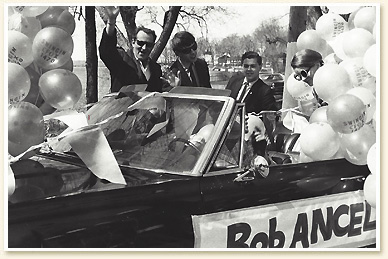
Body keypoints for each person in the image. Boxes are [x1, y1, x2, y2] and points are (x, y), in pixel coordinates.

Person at [99, 6, 165, 93]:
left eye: (148, 45)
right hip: (121, 106)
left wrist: (175, 86)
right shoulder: (121, 59)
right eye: (140, 43)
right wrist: (111, 22)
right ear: (133, 42)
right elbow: (106, 50)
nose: (144, 48)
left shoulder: (156, 69)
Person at [226, 51, 277, 157]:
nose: (249, 70)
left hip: (245, 134)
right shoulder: (234, 81)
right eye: (246, 66)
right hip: (226, 127)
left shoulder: (264, 91)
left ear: (260, 67)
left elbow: (268, 119)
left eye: (253, 66)